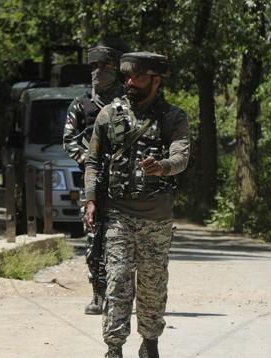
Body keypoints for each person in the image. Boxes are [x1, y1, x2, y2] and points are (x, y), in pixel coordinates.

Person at [84, 52, 190, 358]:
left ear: (156, 80)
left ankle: (150, 342)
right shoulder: (108, 115)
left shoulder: (173, 118)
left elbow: (181, 156)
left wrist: (163, 166)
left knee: (152, 285)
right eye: (127, 77)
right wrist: (91, 199)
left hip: (156, 218)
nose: (130, 82)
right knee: (117, 281)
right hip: (118, 213)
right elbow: (92, 161)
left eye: (138, 77)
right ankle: (113, 348)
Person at [63, 37, 130, 315]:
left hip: (125, 184)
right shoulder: (81, 105)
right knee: (94, 239)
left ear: (116, 69)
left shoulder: (127, 104)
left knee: (123, 240)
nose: (98, 71)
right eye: (94, 66)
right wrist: (87, 160)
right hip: (92, 182)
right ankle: (97, 295)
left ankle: (122, 292)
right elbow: (68, 140)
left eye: (104, 66)